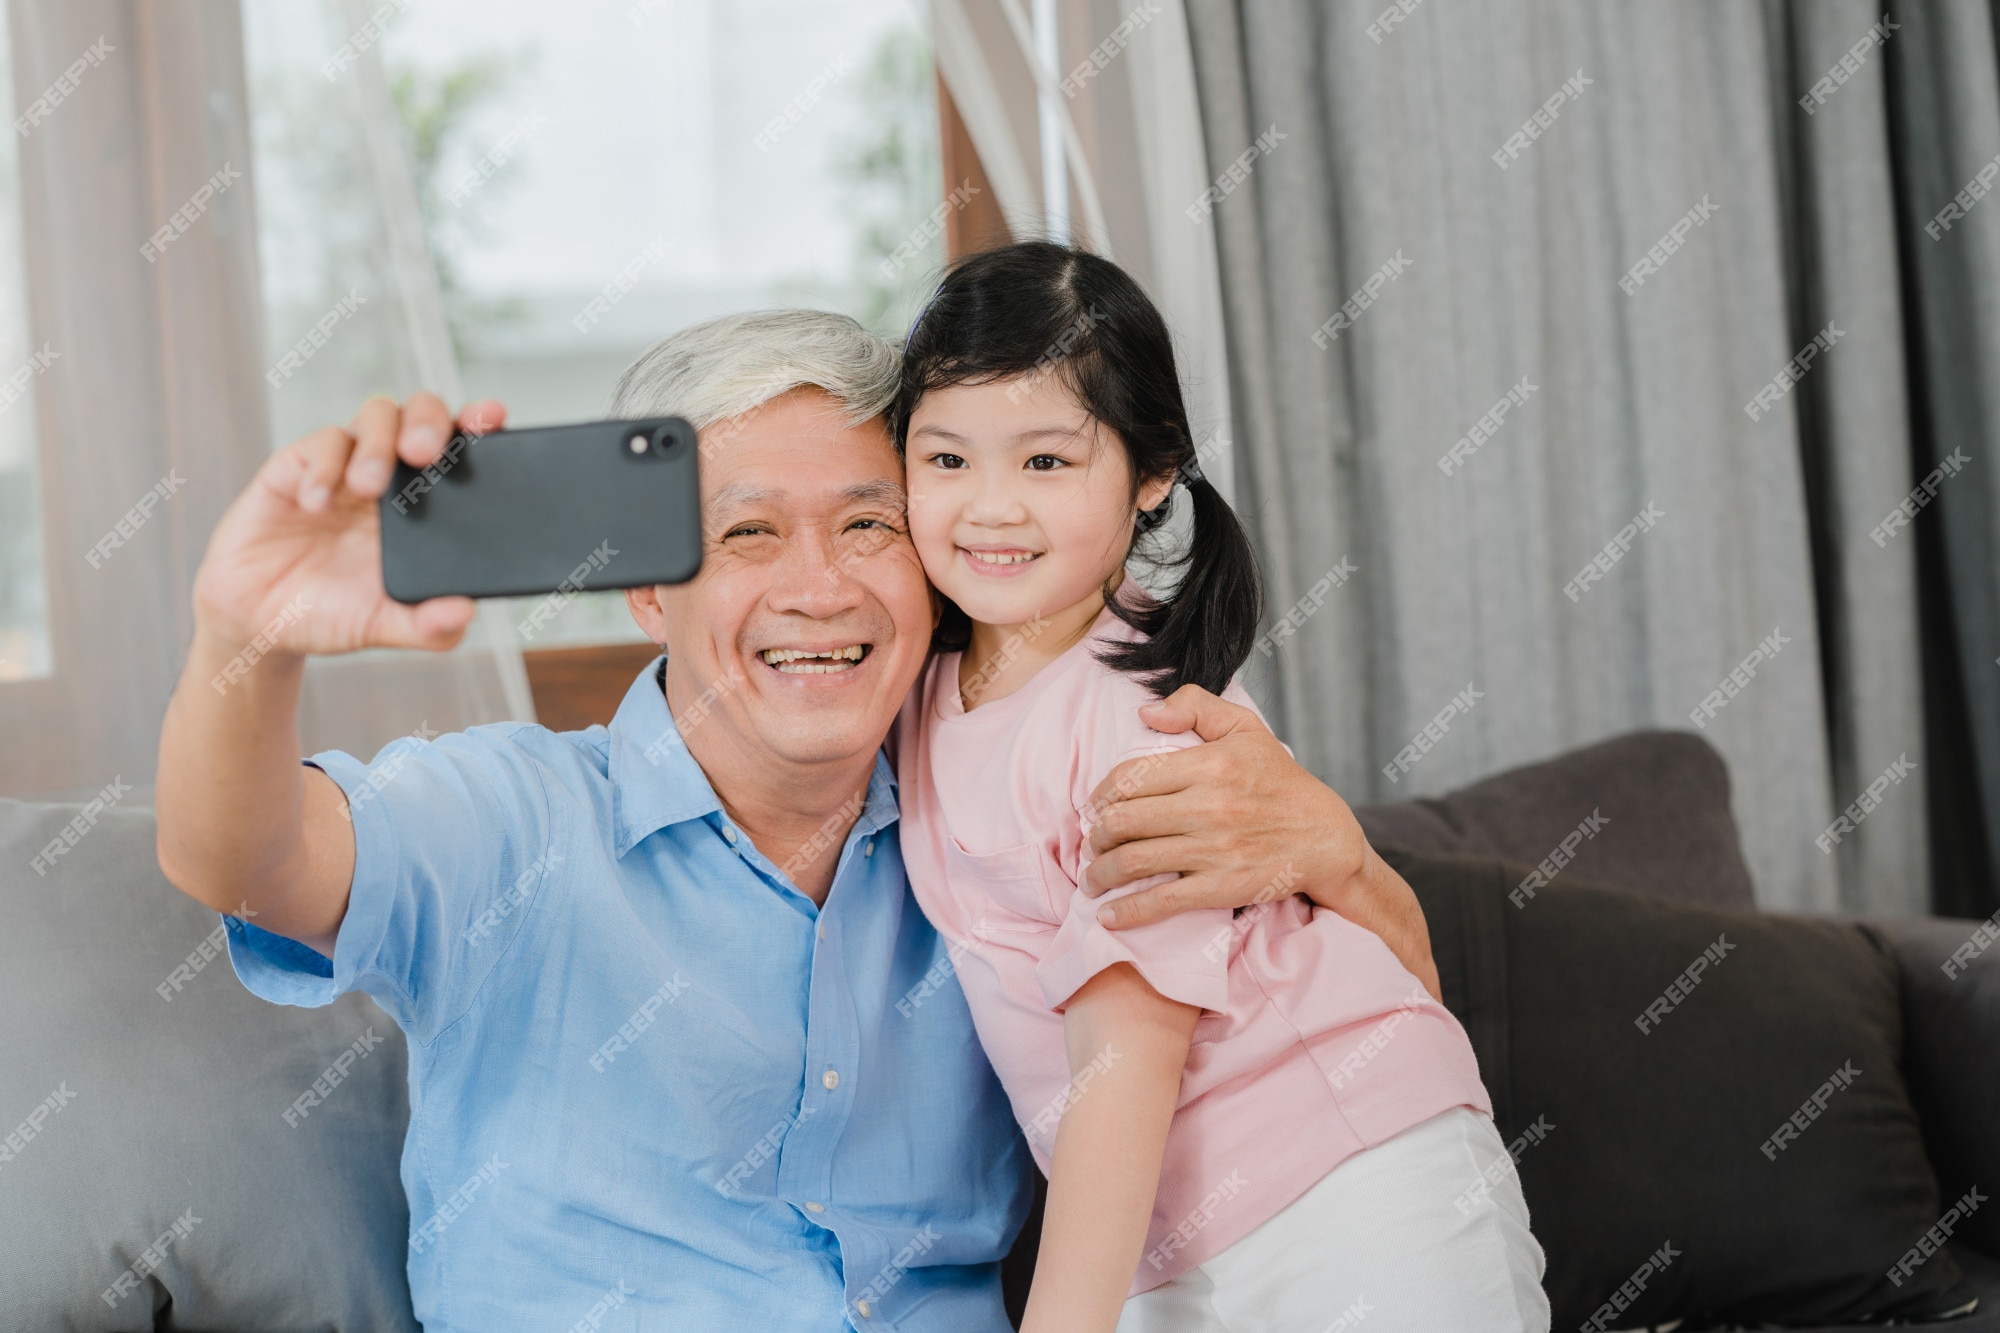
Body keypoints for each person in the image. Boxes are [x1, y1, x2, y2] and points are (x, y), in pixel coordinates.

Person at [154, 306, 1450, 1332]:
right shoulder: (514, 818)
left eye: (868, 524)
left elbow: (1379, 1013)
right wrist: (245, 642)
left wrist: (1331, 845)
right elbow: (243, 855)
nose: (818, 587)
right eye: (749, 533)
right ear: (646, 595)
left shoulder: (1007, 817)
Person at [891, 243, 1550, 1332]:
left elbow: (1127, 1053)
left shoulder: (1139, 715)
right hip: (1170, 1227)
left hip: (1352, 1188)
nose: (988, 508)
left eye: (1045, 463)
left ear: (1151, 474)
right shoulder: (926, 692)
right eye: (946, 459)